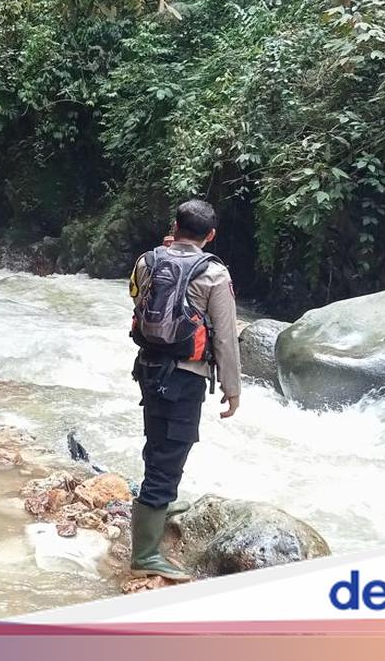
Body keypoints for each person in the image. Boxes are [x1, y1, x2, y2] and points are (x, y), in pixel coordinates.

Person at [127, 199, 241, 581]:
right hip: (185, 377)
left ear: (174, 226)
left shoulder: (148, 261)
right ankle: (144, 554)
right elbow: (225, 335)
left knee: (157, 442)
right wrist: (232, 387)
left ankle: (157, 506)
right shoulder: (213, 274)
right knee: (170, 452)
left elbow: (135, 296)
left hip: (147, 367)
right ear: (210, 236)